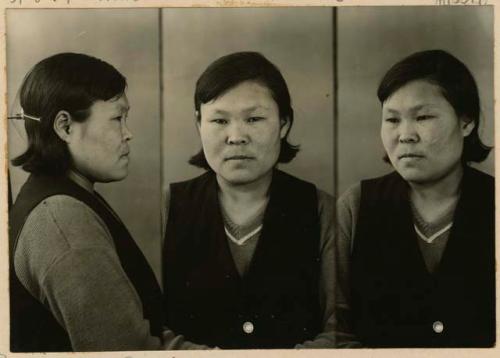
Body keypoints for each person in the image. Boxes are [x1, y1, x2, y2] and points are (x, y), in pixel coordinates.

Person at [9, 53, 210, 352]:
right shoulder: (63, 221)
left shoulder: (65, 198)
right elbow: (132, 350)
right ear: (64, 127)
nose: (128, 134)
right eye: (117, 118)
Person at [162, 51, 349, 349]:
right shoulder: (167, 206)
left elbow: (341, 327)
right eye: (219, 120)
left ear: (284, 123)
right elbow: (149, 328)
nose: (236, 136)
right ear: (199, 123)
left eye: (254, 119)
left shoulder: (322, 208)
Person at [336, 49, 495, 347]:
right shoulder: (355, 205)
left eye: (422, 117)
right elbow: (335, 329)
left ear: (466, 122)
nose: (405, 135)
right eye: (392, 120)